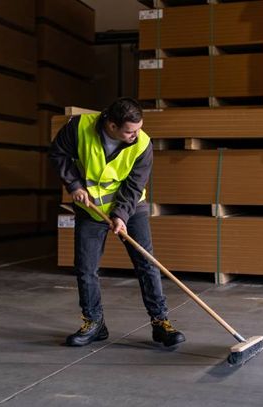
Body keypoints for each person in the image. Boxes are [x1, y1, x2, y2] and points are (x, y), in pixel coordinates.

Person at [49, 97, 185, 347]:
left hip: (131, 209)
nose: (136, 135)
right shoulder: (78, 127)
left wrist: (121, 215)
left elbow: (134, 185)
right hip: (90, 210)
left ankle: (160, 323)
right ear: (111, 125)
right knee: (85, 268)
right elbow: (58, 153)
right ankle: (94, 323)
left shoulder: (143, 144)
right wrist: (74, 185)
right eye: (130, 131)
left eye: (138, 128)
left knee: (146, 264)